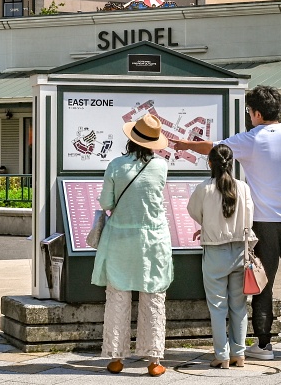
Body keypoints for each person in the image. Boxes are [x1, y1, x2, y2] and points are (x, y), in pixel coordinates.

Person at [175, 84, 281, 361]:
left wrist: (184, 145)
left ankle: (264, 345)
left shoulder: (251, 139)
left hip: (263, 223)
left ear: (255, 112)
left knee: (262, 282)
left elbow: (215, 148)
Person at [91, 114, 173, 377]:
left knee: (117, 297)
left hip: (120, 239)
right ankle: (153, 361)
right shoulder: (161, 166)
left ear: (131, 139)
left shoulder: (115, 165)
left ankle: (116, 358)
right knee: (153, 298)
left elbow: (106, 203)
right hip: (153, 240)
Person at [187, 144, 255, 369]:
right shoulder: (243, 188)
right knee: (239, 305)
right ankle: (239, 353)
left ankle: (221, 355)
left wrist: (207, 225)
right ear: (231, 162)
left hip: (215, 251)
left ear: (210, 163)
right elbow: (250, 218)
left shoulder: (204, 189)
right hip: (239, 251)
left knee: (217, 306)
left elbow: (194, 211)